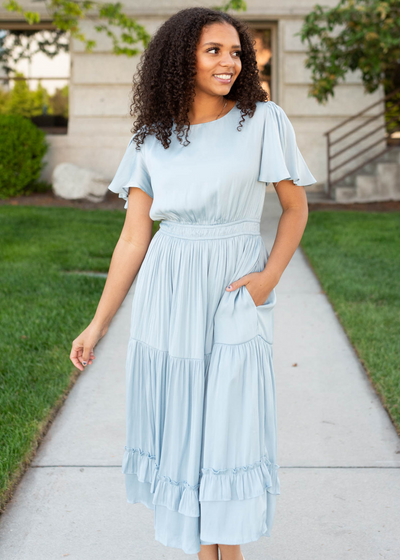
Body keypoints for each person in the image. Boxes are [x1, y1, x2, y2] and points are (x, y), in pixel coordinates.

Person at [70, 7, 316, 560]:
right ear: (182, 57)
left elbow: (295, 209)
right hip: (170, 287)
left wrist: (267, 280)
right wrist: (98, 323)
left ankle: (225, 551)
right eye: (215, 51)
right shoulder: (150, 137)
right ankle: (209, 552)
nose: (230, 62)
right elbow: (134, 238)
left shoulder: (262, 121)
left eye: (236, 53)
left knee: (230, 421)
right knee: (184, 421)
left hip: (234, 288)